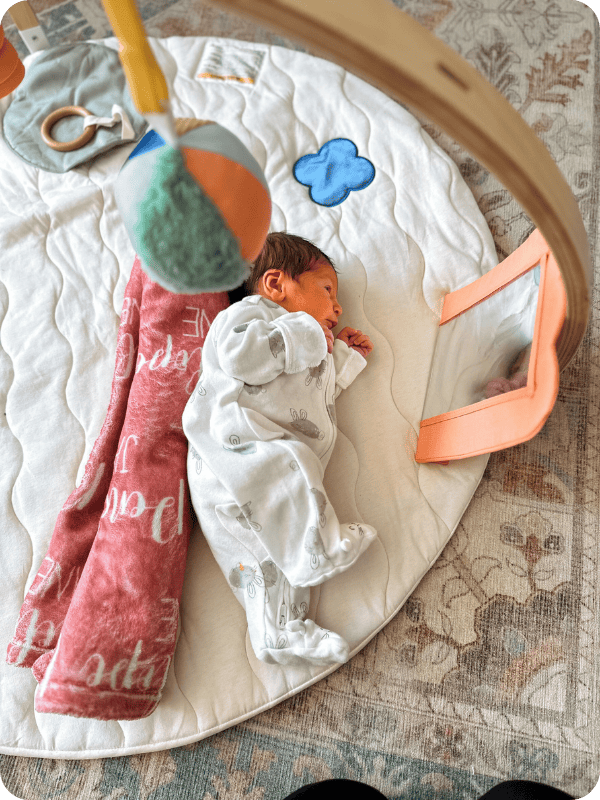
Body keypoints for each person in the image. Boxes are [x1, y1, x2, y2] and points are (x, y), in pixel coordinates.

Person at [182, 232, 377, 667]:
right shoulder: (249, 315)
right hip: (233, 451)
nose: (338, 308)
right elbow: (241, 357)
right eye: (327, 290)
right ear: (275, 285)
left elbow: (312, 397)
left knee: (269, 565)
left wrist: (341, 358)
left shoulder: (300, 343)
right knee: (294, 466)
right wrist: (308, 334)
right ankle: (322, 545)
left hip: (258, 475)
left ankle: (280, 633)